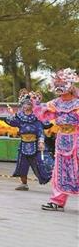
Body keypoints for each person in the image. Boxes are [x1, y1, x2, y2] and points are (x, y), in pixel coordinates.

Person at [34, 68, 79, 212]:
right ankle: (57, 201)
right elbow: (44, 114)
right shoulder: (55, 103)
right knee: (59, 172)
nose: (59, 87)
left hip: (76, 139)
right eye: (57, 83)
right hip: (61, 140)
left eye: (62, 83)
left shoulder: (77, 103)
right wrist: (36, 104)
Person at [4, 89, 52, 191]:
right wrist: (11, 114)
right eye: (25, 104)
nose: (26, 106)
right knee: (22, 164)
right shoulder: (19, 117)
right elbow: (11, 122)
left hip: (36, 143)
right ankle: (24, 183)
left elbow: (40, 130)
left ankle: (53, 181)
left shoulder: (36, 117)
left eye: (29, 104)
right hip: (23, 144)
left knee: (43, 163)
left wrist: (41, 141)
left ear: (33, 106)